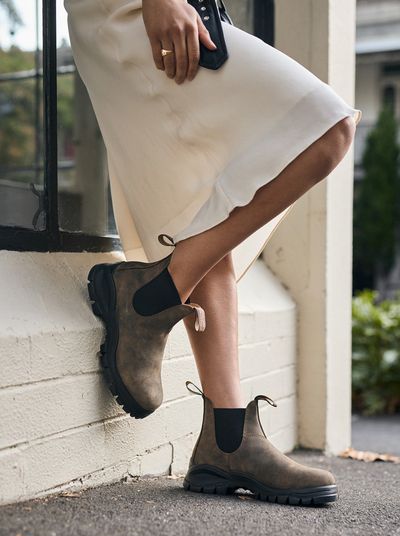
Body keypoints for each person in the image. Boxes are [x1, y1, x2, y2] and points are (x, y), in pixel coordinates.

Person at [65, 0, 362, 505]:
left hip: (183, 14)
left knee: (203, 216)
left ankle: (227, 440)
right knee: (329, 129)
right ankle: (153, 295)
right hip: (132, 12)